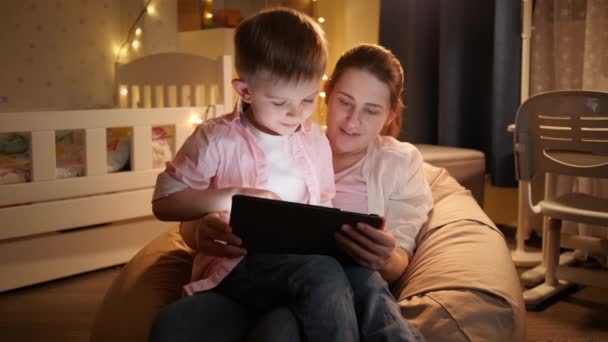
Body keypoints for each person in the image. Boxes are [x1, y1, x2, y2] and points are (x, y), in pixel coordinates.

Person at [150, 7, 360, 342]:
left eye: (307, 100)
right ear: (245, 91)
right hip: (234, 271)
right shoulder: (214, 138)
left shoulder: (315, 140)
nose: (296, 114)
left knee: (283, 326)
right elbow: (163, 202)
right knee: (172, 326)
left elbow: (323, 204)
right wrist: (231, 197)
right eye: (280, 103)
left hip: (295, 279)